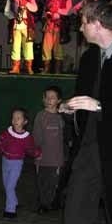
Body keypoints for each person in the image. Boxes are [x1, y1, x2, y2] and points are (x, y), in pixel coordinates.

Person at [59, 1, 112, 224]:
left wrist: (99, 106)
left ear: (97, 24)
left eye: (84, 22)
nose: (81, 27)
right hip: (87, 153)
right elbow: (83, 106)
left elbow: (100, 104)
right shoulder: (88, 59)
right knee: (73, 219)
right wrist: (67, 108)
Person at [0, 107, 41, 218]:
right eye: (13, 118)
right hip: (5, 161)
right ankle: (14, 202)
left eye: (18, 118)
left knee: (10, 186)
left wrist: (38, 154)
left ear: (25, 121)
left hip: (17, 164)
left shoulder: (27, 137)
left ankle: (10, 210)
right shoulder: (6, 133)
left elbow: (31, 149)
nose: (15, 120)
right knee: (6, 185)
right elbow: (1, 145)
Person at [33, 86, 65, 214]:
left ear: (59, 100)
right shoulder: (40, 116)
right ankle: (43, 203)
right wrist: (36, 154)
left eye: (52, 98)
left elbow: (65, 138)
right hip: (41, 158)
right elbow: (36, 137)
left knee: (53, 182)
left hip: (56, 159)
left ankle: (49, 203)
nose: (49, 100)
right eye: (46, 97)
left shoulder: (61, 118)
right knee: (41, 181)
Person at [7, 0, 38, 75]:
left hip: (27, 25)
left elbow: (35, 8)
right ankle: (15, 67)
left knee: (28, 46)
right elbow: (6, 11)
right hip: (16, 25)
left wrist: (26, 3)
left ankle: (29, 67)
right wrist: (14, 15)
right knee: (15, 46)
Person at [42, 0, 73, 74]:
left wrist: (58, 10)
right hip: (49, 25)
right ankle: (46, 69)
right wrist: (46, 15)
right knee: (46, 47)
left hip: (59, 26)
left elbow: (69, 11)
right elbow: (45, 10)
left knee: (58, 49)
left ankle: (57, 70)